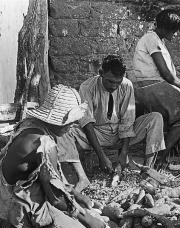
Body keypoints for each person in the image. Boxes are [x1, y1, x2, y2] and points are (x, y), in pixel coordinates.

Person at [0, 84, 111, 228]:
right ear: (57, 119)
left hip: (6, 192)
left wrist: (77, 195)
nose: (74, 124)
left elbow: (47, 177)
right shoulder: (44, 144)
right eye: (70, 121)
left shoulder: (30, 125)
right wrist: (89, 219)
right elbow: (56, 200)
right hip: (19, 205)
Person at [57, 54, 165, 192]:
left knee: (155, 118)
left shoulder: (126, 85)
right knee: (65, 131)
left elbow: (127, 120)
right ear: (101, 73)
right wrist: (102, 157)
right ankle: (81, 177)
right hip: (96, 133)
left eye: (117, 82)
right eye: (110, 81)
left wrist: (124, 152)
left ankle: (148, 171)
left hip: (120, 134)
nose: (114, 86)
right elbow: (87, 124)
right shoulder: (87, 87)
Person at [132, 8, 180, 163]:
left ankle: (169, 153)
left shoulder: (157, 40)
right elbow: (166, 75)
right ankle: (161, 156)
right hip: (153, 86)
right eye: (175, 30)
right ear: (166, 28)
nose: (176, 34)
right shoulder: (152, 39)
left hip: (154, 86)